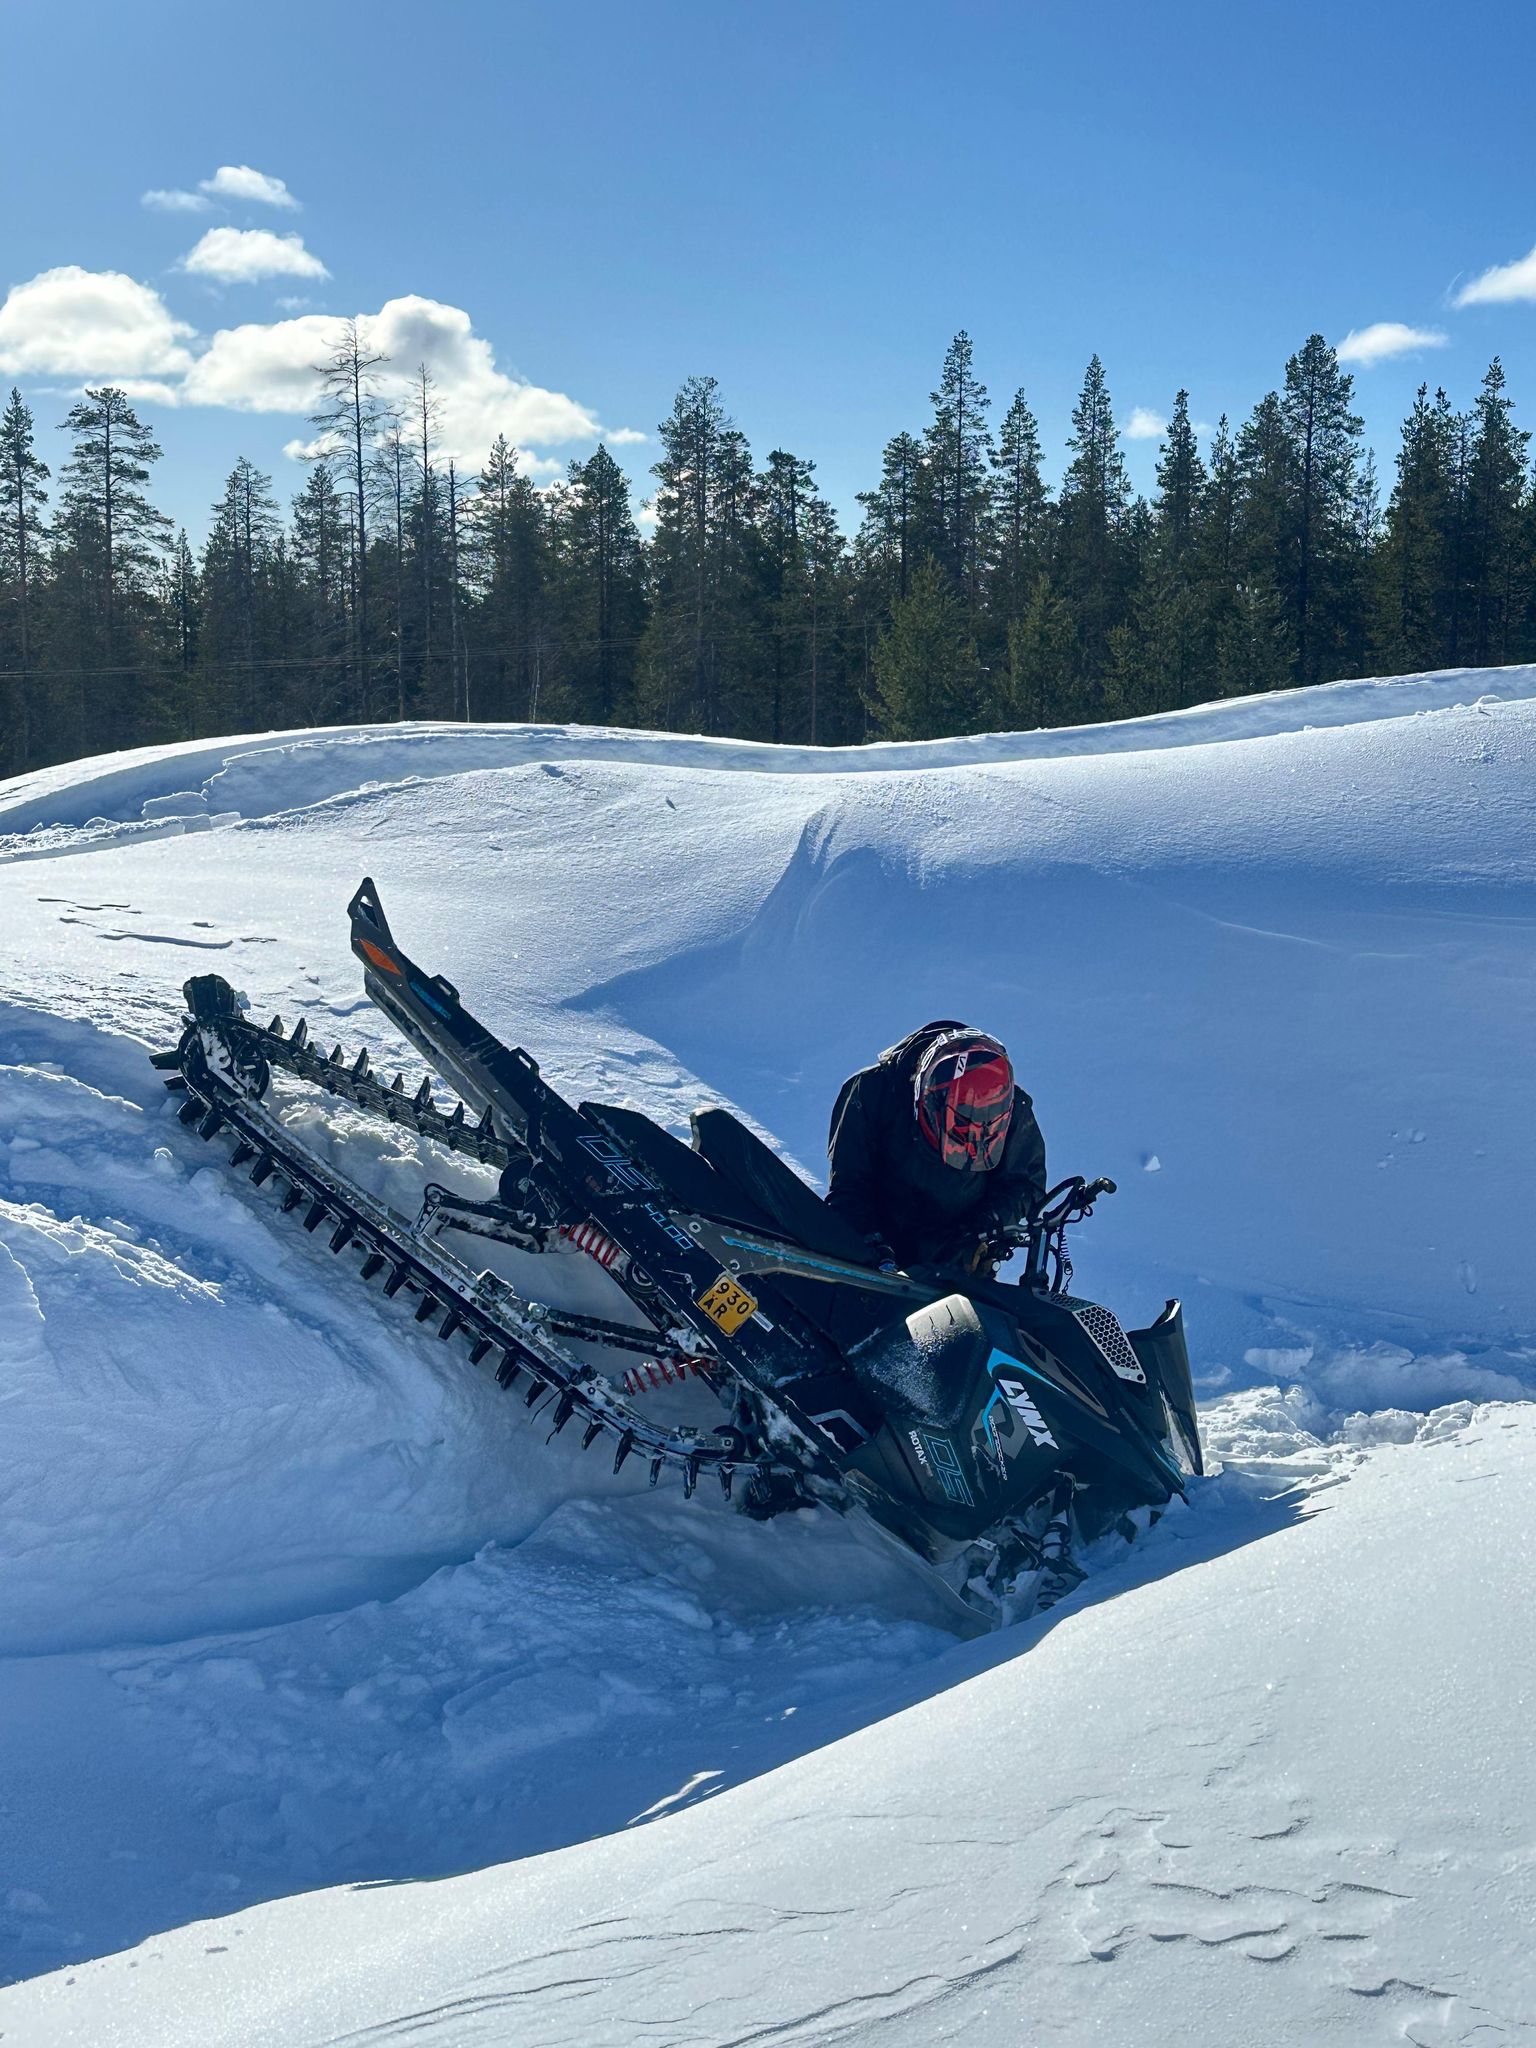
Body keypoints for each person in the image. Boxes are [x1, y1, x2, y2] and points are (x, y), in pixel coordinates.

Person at [825, 1021, 1047, 1272]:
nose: (972, 1142)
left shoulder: (1011, 1108)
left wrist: (984, 1228)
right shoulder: (870, 1093)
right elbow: (849, 1187)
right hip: (876, 1260)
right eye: (962, 1127)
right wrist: (871, 1244)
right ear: (929, 1100)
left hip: (958, 1260)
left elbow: (1025, 1184)